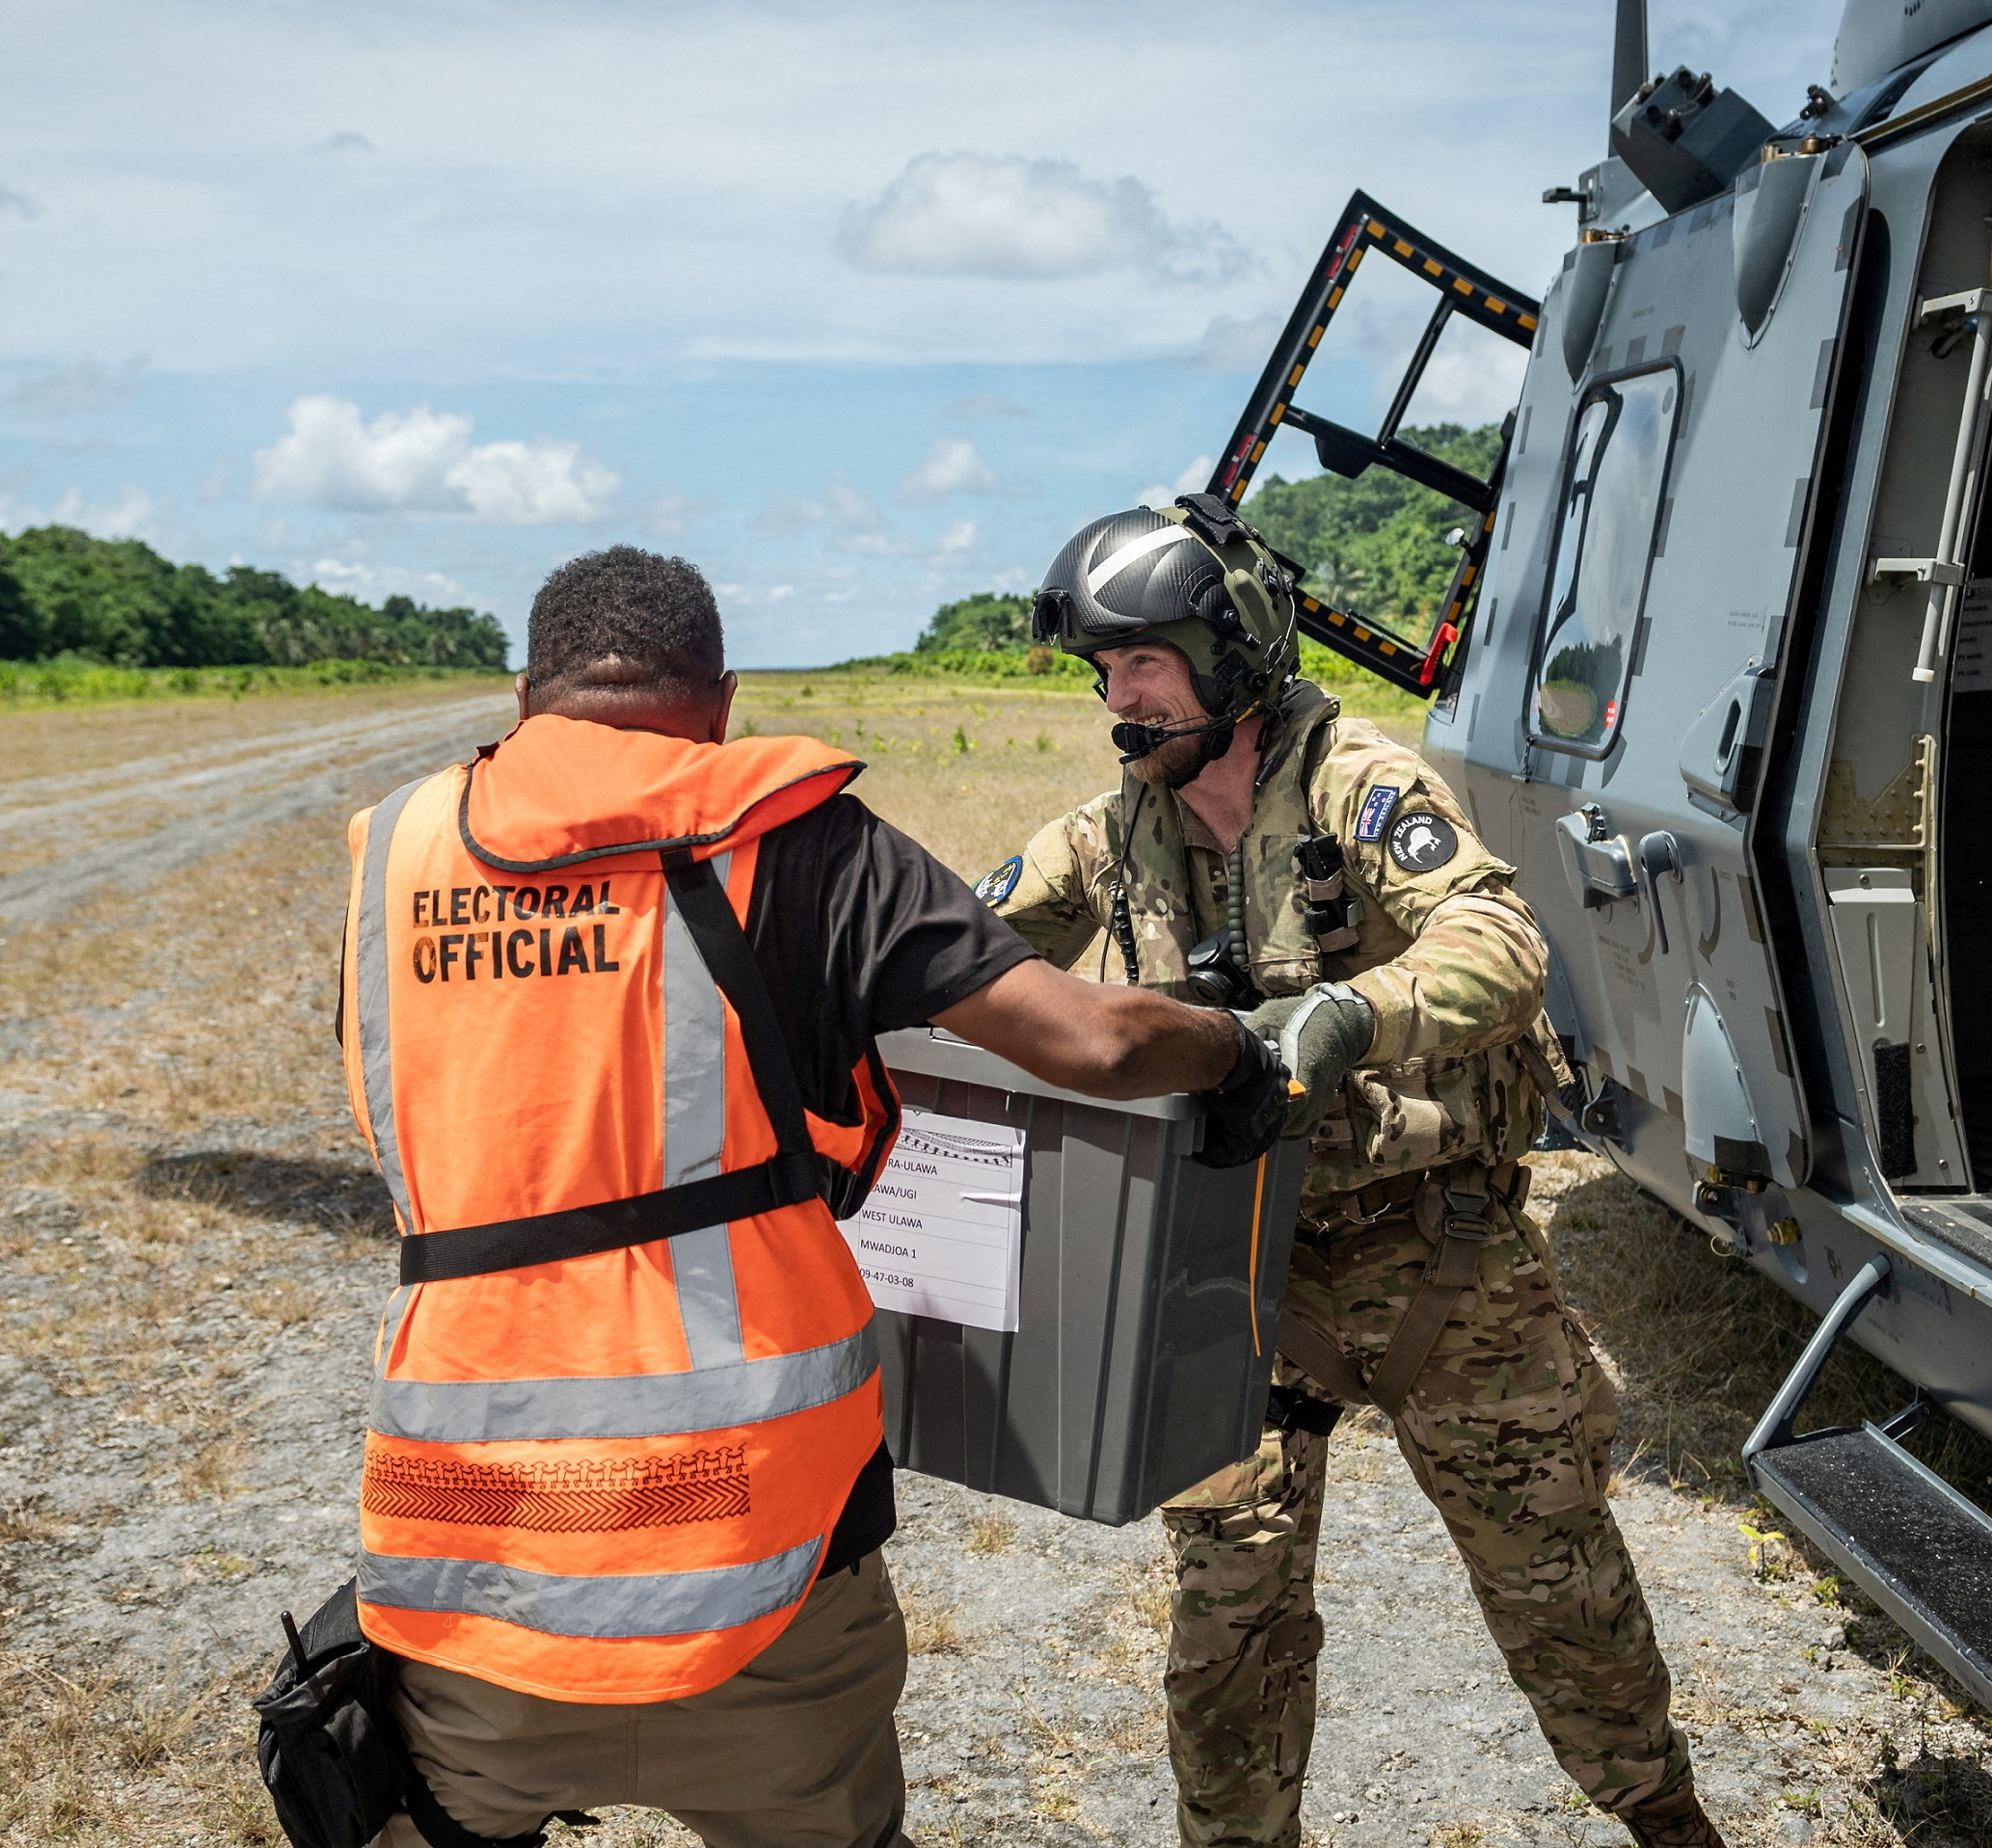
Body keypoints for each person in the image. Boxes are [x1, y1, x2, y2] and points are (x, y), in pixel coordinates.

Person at [336, 546, 1280, 1848]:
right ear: (719, 705)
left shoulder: (394, 852)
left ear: (522, 699)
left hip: (464, 1553)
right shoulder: (786, 830)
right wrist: (1238, 1051)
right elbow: (1097, 1045)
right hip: (757, 1555)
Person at [982, 497, 1721, 1848]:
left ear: (1231, 652)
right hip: (1232, 1266)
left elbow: (1499, 942)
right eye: (1105, 672)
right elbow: (960, 940)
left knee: (1558, 1588)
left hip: (1433, 1251)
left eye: (1142, 662)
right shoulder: (1116, 827)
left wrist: (1335, 1018)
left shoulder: (1358, 786)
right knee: (1228, 1622)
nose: (1119, 699)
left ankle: (1666, 1819)